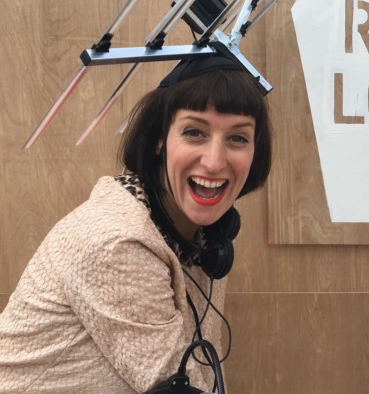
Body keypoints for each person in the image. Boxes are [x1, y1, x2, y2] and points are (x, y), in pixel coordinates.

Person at [0, 55, 272, 393]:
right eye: (194, 132)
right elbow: (177, 384)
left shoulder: (204, 238)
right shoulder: (117, 241)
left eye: (238, 138)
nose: (215, 161)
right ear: (159, 139)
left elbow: (201, 370)